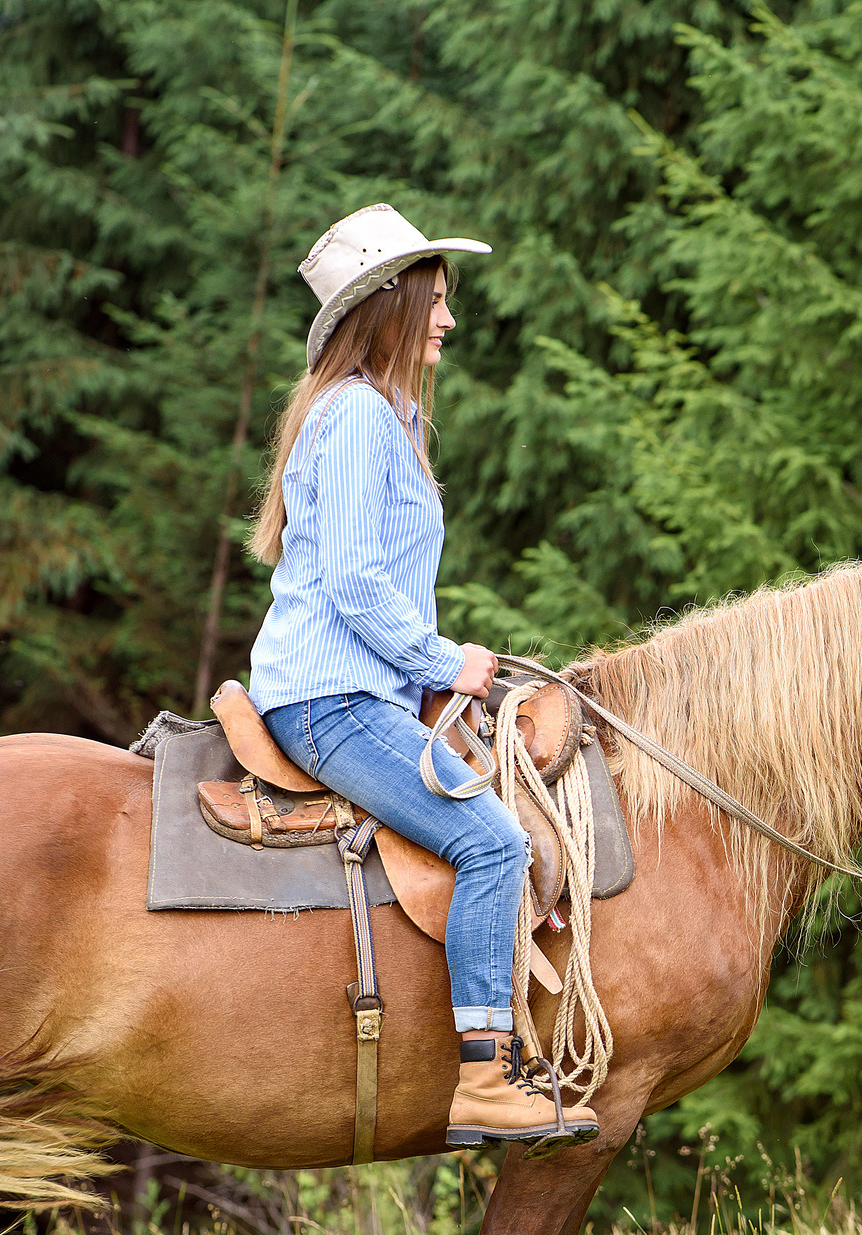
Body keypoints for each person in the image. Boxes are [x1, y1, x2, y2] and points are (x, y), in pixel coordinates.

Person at [245, 204, 599, 1148]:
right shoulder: (359, 415)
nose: (448, 318)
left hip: (363, 689)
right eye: (434, 301)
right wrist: (448, 661)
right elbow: (356, 584)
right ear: (389, 305)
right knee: (493, 844)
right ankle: (485, 1077)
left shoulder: (389, 414)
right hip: (332, 700)